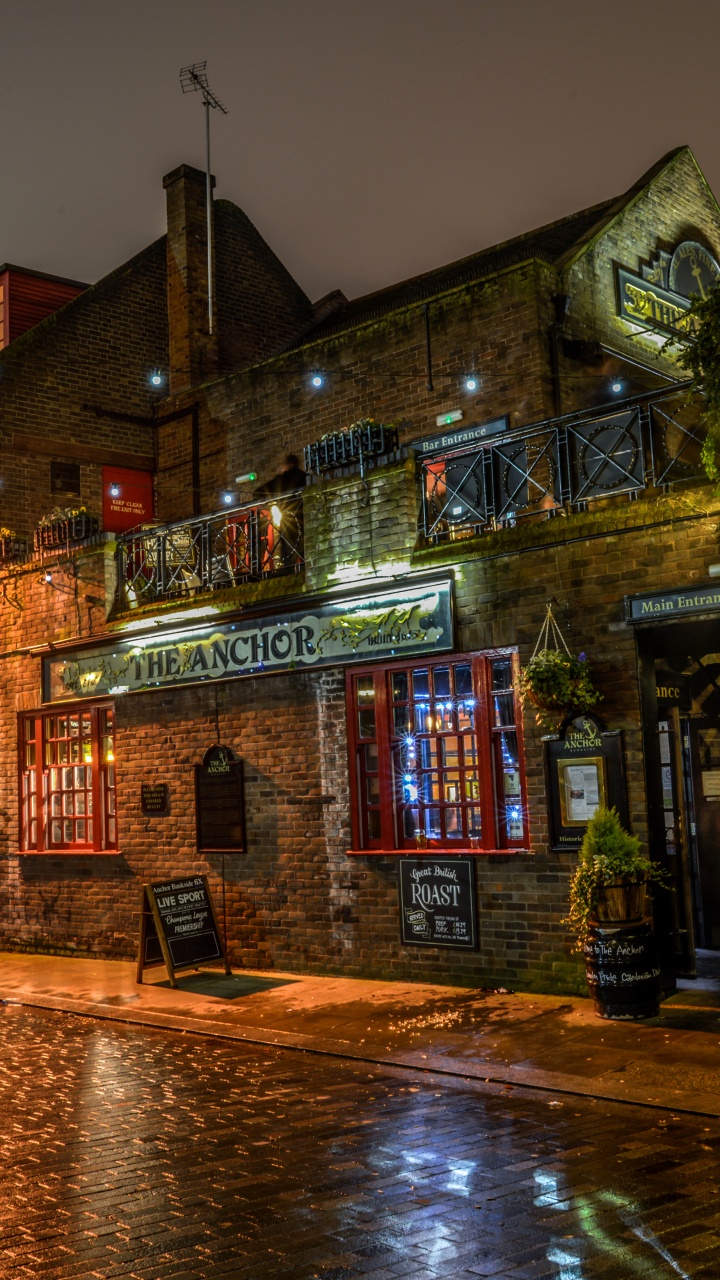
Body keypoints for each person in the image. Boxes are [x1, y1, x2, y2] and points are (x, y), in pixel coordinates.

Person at [253, 455, 307, 571]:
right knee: (305, 553)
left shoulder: (282, 479)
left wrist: (270, 502)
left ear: (289, 465)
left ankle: (287, 575)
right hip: (305, 520)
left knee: (288, 555)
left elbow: (258, 492)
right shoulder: (305, 477)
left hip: (288, 522)